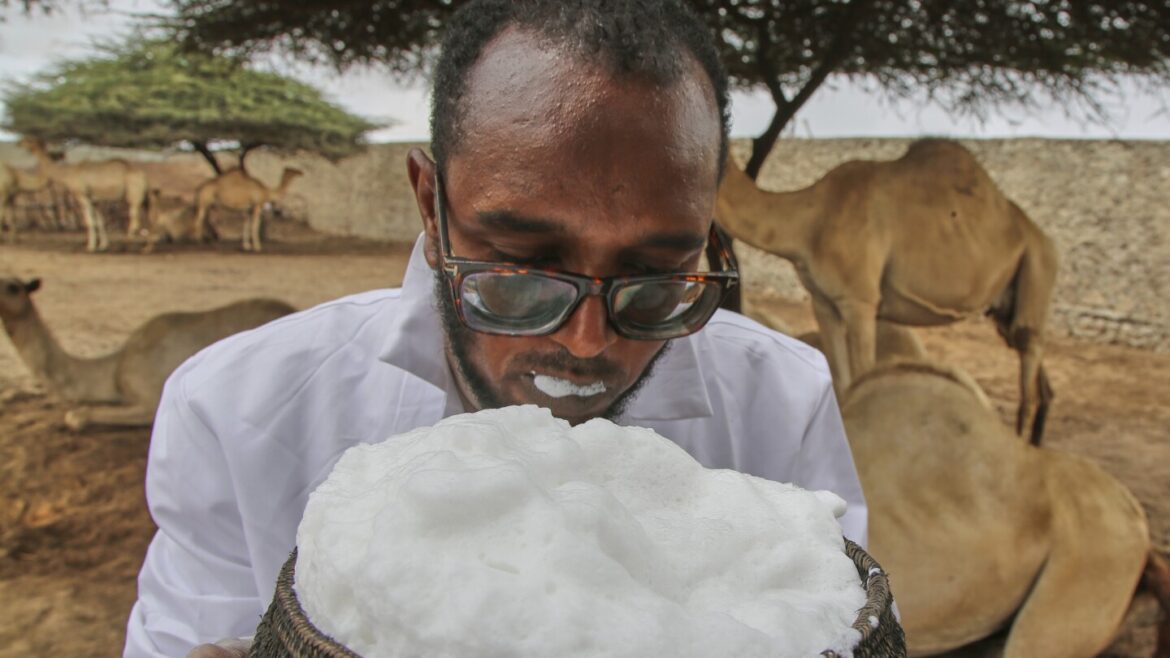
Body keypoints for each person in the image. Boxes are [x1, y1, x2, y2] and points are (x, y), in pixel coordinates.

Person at [124, 1, 868, 656]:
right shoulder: (238, 413)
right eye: (522, 267)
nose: (587, 342)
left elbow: (834, 618)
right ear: (431, 206)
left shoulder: (782, 403)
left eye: (653, 274)